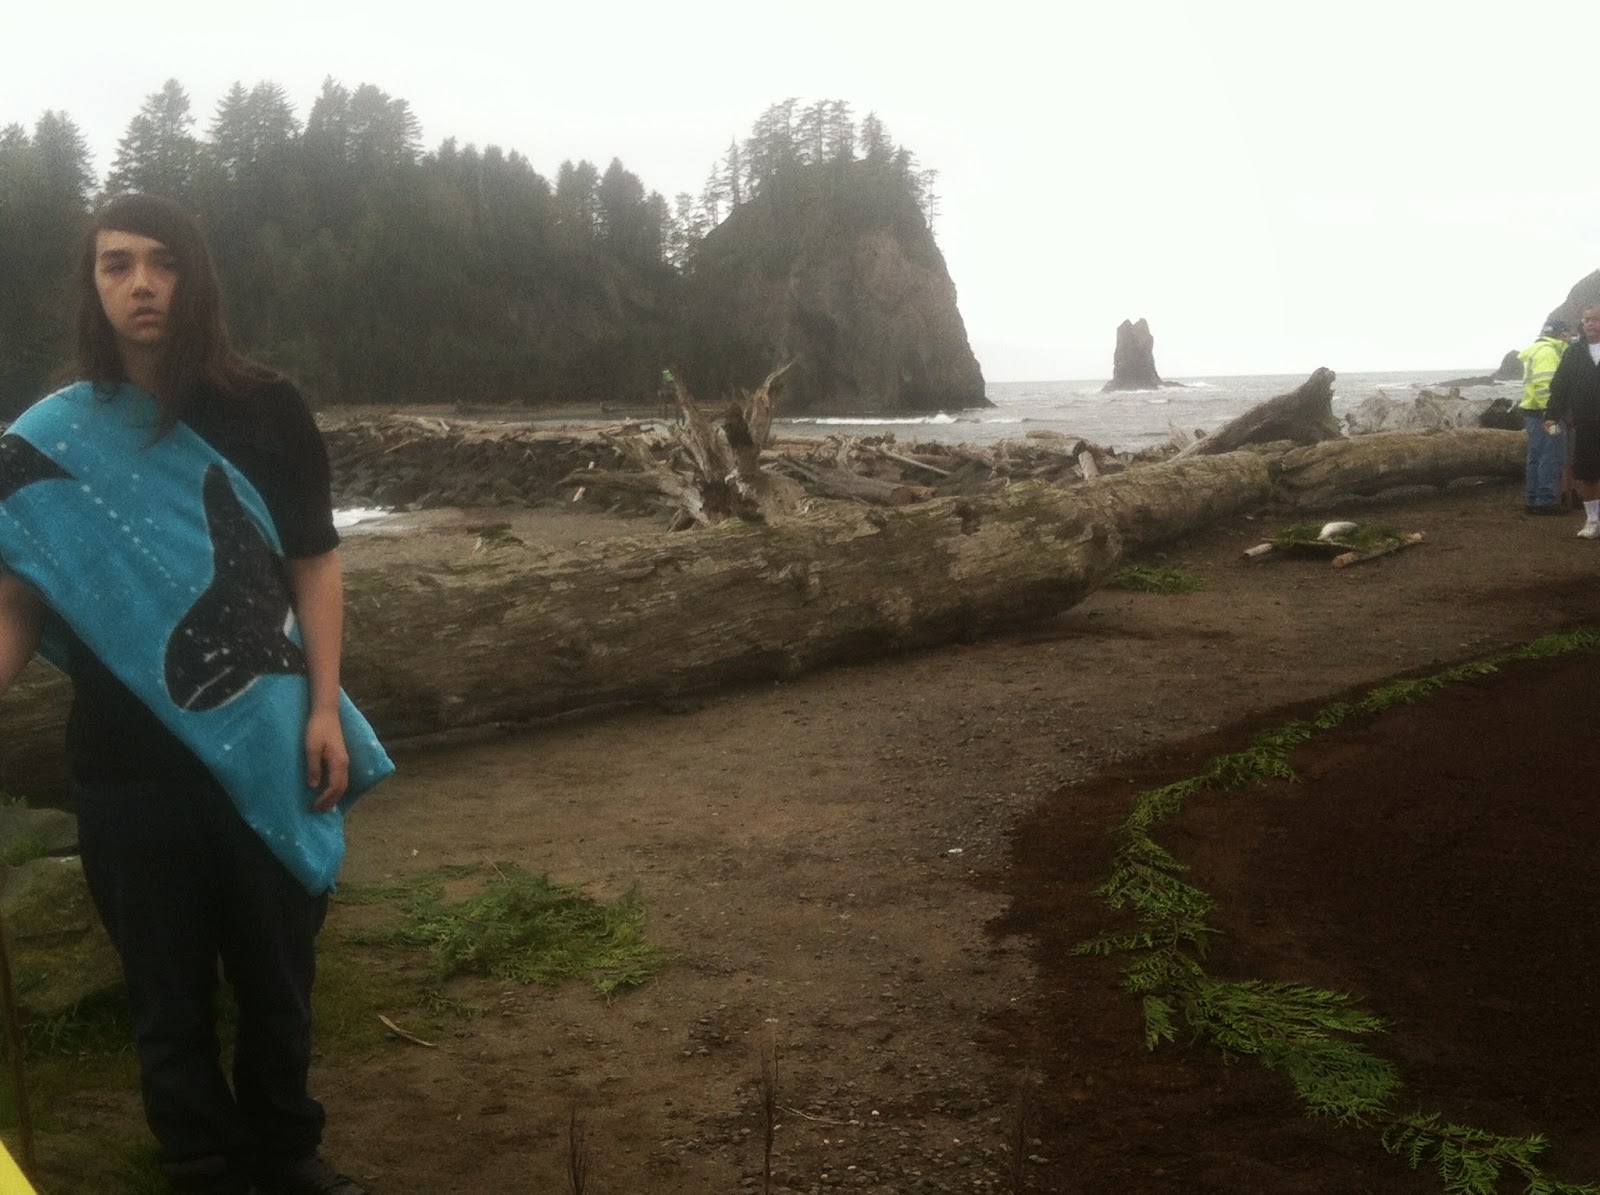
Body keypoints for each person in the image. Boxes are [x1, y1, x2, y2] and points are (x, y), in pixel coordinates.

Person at [0, 194, 392, 1194]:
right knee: (164, 988)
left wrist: (321, 708)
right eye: (117, 263)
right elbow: (16, 602)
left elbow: (315, 566)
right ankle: (199, 1158)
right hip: (126, 769)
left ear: (195, 277)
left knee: (276, 973)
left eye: (162, 263)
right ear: (91, 284)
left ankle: (284, 1146)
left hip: (267, 737)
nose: (140, 282)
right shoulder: (49, 440)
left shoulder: (268, 408)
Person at [1545, 304, 1600, 538]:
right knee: (1588, 473)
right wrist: (1551, 414)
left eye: (1595, 319)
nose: (1590, 324)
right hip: (1586, 422)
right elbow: (1560, 385)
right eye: (1586, 319)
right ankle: (1593, 521)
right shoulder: (1574, 352)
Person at [1517, 318, 1571, 514]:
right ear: (1560, 334)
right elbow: (1545, 385)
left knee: (1537, 455)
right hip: (1546, 413)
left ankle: (1534, 499)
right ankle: (1546, 500)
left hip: (1533, 412)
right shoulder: (1549, 352)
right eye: (1566, 333)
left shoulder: (1537, 350)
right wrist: (1551, 414)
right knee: (1551, 454)